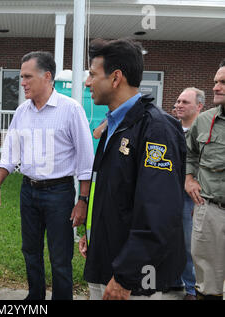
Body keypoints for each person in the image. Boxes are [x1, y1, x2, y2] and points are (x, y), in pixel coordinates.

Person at [79, 38, 186, 300]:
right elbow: (111, 192)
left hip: (132, 281)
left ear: (116, 78)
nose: (87, 82)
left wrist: (126, 276)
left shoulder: (156, 129)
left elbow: (158, 214)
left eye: (93, 74)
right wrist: (94, 238)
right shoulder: (114, 125)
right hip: (106, 261)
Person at [0, 51, 94, 300]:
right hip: (29, 191)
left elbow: (85, 160)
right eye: (21, 76)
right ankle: (35, 297)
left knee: (60, 255)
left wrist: (83, 201)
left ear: (47, 76)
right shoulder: (22, 112)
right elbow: (10, 154)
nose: (22, 82)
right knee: (30, 250)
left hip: (59, 194)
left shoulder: (70, 110)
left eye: (27, 76)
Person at [185, 59, 225, 300]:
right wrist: (189, 179)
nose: (216, 87)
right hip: (210, 210)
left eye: (223, 83)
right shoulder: (203, 121)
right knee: (207, 285)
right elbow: (189, 154)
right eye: (215, 82)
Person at [171, 87, 205, 300]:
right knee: (171, 240)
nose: (179, 105)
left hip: (192, 197)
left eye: (185, 102)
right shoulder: (171, 128)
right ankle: (174, 283)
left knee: (189, 244)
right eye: (178, 101)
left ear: (199, 106)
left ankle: (192, 289)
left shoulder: (205, 131)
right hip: (169, 194)